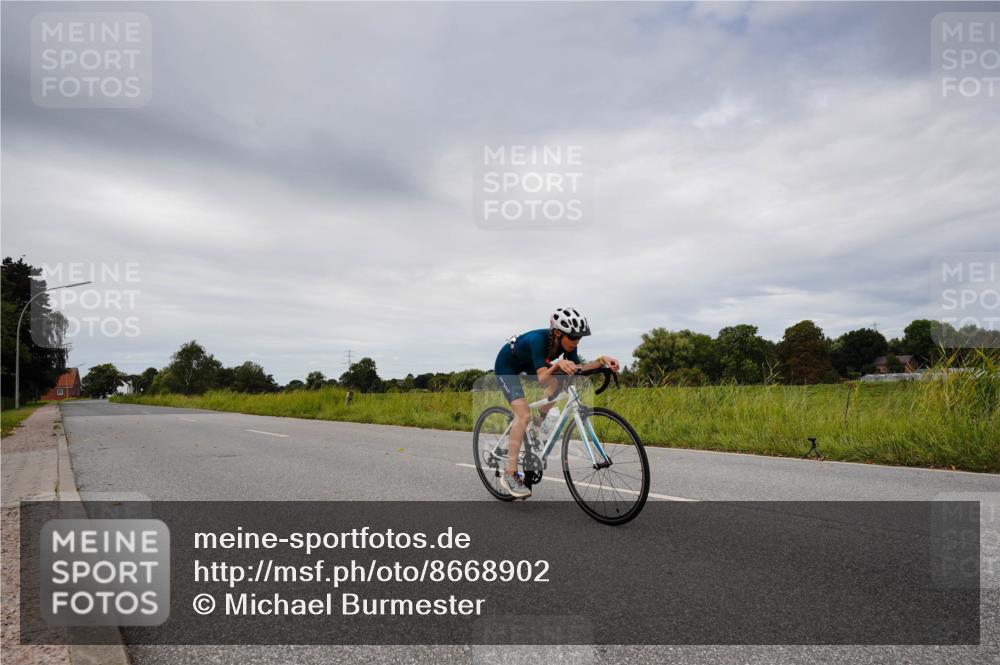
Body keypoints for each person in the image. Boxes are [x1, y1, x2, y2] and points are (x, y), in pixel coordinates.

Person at [493, 307, 620, 498]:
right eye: (573, 337)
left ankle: (538, 423)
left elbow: (578, 369)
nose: (576, 342)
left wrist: (601, 361)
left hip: (531, 367)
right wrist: (558, 364)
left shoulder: (569, 343)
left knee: (562, 382)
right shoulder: (539, 340)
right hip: (508, 366)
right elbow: (543, 377)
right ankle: (510, 474)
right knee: (523, 415)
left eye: (579, 338)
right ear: (558, 333)